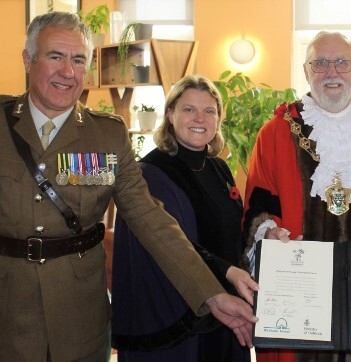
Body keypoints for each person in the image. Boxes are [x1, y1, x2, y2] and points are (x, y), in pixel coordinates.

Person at [0, 12, 256, 361]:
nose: (67, 72)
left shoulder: (107, 134)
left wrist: (211, 294)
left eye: (78, 60)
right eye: (55, 56)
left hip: (80, 313)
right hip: (8, 307)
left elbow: (151, 220)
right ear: (28, 59)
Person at [242, 31, 351, 362]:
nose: (332, 72)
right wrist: (269, 231)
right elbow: (258, 206)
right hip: (301, 295)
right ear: (306, 71)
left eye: (342, 62)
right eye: (320, 63)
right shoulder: (277, 130)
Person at [111, 75, 257, 361]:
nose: (199, 118)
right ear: (170, 114)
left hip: (226, 310)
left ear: (218, 119)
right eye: (189, 109)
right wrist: (228, 271)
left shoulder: (219, 169)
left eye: (209, 111)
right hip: (180, 317)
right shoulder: (149, 173)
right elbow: (174, 246)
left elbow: (233, 231)